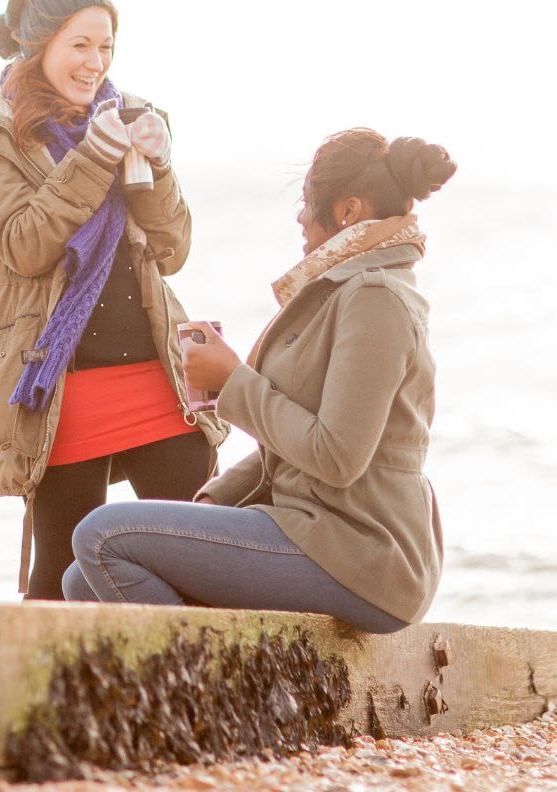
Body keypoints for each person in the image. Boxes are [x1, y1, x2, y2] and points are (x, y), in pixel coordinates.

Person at [63, 127, 457, 632]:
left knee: (100, 535)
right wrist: (210, 508)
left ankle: (200, 700)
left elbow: (336, 455)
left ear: (349, 210)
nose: (299, 214)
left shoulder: (375, 297)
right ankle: (207, 689)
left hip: (364, 551)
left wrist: (232, 383)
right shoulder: (340, 289)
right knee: (80, 582)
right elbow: (288, 445)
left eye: (307, 199)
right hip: (312, 530)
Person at [0, 0, 228, 599]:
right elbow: (23, 244)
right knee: (60, 581)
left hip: (157, 377)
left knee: (203, 560)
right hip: (61, 389)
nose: (95, 64)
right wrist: (93, 159)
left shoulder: (132, 118)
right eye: (80, 46)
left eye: (107, 48)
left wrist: (159, 167)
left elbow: (171, 250)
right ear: (37, 45)